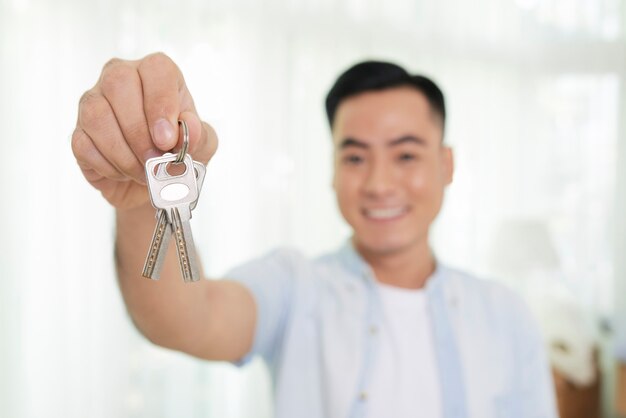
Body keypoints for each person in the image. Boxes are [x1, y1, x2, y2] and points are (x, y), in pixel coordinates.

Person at [72, 52, 558, 418]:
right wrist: (144, 199)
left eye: (406, 154)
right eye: (355, 156)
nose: (379, 182)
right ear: (331, 171)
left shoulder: (505, 315)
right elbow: (184, 320)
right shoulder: (295, 286)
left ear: (446, 165)